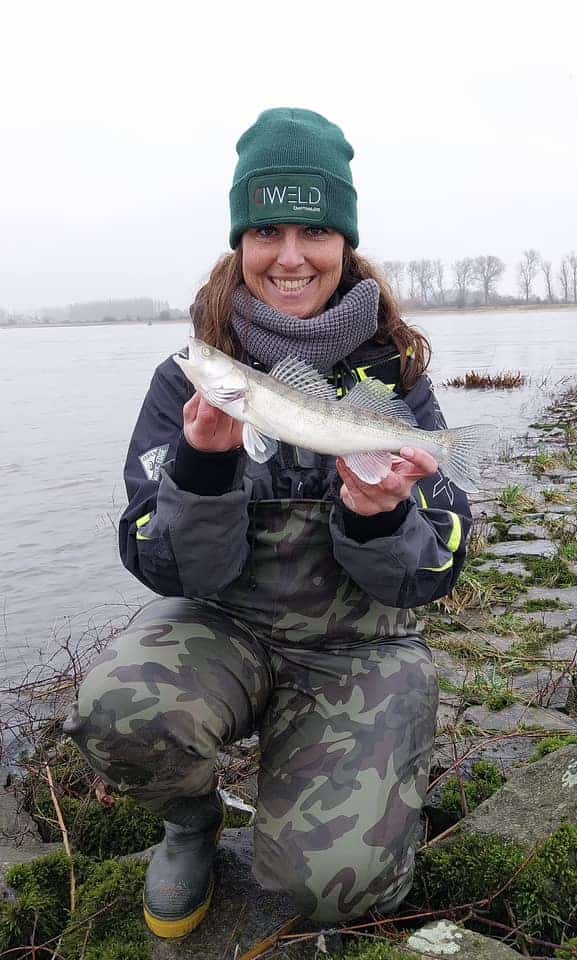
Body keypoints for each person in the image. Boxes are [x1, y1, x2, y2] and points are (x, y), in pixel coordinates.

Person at [64, 108, 472, 937]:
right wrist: (204, 468)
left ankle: (319, 805)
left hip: (359, 643)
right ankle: (192, 822)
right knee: (118, 709)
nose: (290, 256)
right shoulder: (187, 381)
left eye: (315, 231)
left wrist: (381, 517)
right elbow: (168, 568)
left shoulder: (391, 378)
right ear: (239, 243)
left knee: (334, 888)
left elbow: (435, 572)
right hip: (227, 625)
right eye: (266, 231)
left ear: (345, 244)